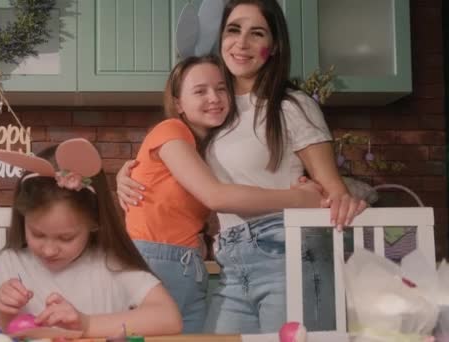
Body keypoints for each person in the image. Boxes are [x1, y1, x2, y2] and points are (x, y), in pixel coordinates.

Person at [116, 0, 367, 334]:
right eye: (233, 30)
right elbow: (180, 173)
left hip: (288, 255)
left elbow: (332, 189)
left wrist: (342, 201)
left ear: (274, 46)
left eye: (257, 33)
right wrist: (127, 174)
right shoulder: (216, 113)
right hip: (231, 263)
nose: (242, 43)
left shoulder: (292, 106)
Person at [122, 54, 332, 334]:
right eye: (200, 91)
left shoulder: (207, 151)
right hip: (158, 265)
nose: (214, 97)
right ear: (177, 103)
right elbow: (216, 197)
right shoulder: (170, 130)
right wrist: (300, 199)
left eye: (221, 88)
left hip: (189, 267)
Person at [0, 138, 182, 338]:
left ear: (94, 224)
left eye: (66, 238)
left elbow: (169, 318)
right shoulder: (11, 263)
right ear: (23, 220)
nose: (49, 250)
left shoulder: (110, 263)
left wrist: (86, 324)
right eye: (38, 234)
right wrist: (5, 316)